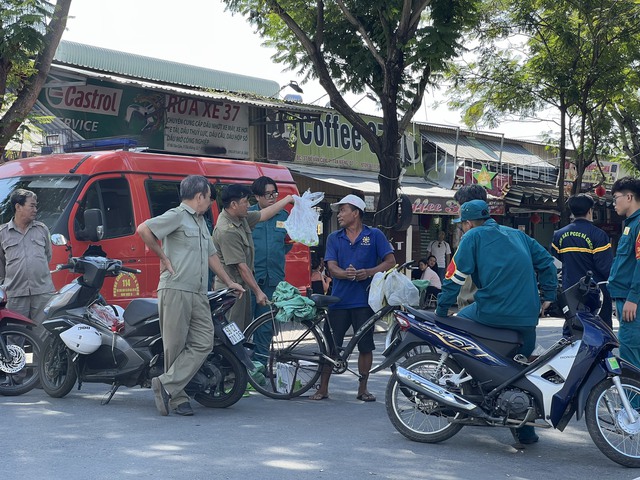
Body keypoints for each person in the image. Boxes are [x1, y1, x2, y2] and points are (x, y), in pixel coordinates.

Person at [435, 200, 557, 444]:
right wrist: (549, 296)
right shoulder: (518, 236)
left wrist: (440, 311)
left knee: (456, 336)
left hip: (491, 312)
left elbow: (454, 278)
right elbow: (547, 263)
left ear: (467, 223)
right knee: (522, 369)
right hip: (527, 317)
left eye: (462, 225)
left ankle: (466, 396)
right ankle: (525, 431)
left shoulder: (472, 237)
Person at [137, 175, 244, 417]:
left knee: (204, 341)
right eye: (208, 197)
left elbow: (211, 256)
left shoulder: (201, 222)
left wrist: (229, 282)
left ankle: (166, 384)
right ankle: (178, 398)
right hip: (175, 288)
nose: (210, 202)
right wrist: (162, 257)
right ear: (199, 197)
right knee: (175, 345)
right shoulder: (176, 215)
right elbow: (144, 229)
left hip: (197, 291)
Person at [310, 194, 396, 402]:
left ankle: (362, 389)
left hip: (365, 301)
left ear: (355, 213)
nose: (339, 214)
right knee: (331, 345)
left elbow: (390, 260)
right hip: (339, 299)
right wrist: (343, 273)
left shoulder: (374, 235)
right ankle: (322, 388)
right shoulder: (334, 237)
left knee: (365, 345)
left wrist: (369, 272)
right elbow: (331, 266)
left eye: (343, 210)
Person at [212, 184, 294, 331]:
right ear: (234, 205)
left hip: (243, 288)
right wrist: (258, 292)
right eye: (245, 202)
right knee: (233, 333)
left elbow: (264, 214)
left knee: (244, 331)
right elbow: (241, 267)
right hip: (232, 291)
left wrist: (287, 199)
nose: (249, 206)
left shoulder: (240, 218)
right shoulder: (227, 230)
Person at [551, 194, 613, 330]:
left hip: (570, 291)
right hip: (595, 291)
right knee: (599, 331)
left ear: (572, 211)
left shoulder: (559, 235)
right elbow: (605, 266)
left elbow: (557, 258)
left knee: (573, 329)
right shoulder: (598, 234)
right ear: (590, 211)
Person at [0, 188, 55, 333]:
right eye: (32, 205)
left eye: (36, 206)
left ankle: (42, 358)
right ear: (18, 207)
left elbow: (47, 256)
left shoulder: (42, 229)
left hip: (42, 292)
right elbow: (1, 265)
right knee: (14, 336)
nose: (35, 209)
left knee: (44, 337)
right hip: (16, 294)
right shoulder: (3, 234)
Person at [249, 176, 293, 319]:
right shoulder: (249, 216)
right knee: (245, 323)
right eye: (268, 194)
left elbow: (287, 244)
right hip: (251, 278)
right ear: (257, 196)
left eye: (274, 193)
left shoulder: (284, 217)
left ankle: (263, 343)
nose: (272, 197)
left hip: (273, 279)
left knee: (267, 324)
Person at [608, 177, 640, 369]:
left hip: (632, 301)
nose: (613, 204)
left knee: (631, 360)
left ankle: (632, 399)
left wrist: (633, 298)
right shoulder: (630, 225)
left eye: (615, 198)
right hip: (625, 297)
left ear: (629, 197)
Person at [453, 184, 488, 308]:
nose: (457, 212)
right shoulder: (503, 236)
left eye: (458, 207)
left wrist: (441, 308)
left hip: (472, 310)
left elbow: (454, 280)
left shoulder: (469, 239)